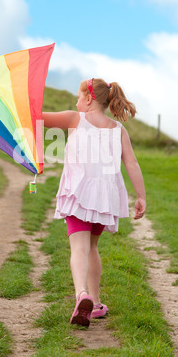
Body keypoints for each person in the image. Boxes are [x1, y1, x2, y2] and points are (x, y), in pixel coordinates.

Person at [42, 78, 146, 327]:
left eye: (78, 98)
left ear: (88, 99)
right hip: (105, 198)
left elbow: (37, 118)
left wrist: (23, 105)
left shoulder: (75, 119)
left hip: (79, 194)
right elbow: (131, 162)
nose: (76, 103)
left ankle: (81, 296)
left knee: (78, 248)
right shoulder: (118, 129)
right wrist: (141, 196)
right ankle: (96, 304)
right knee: (92, 248)